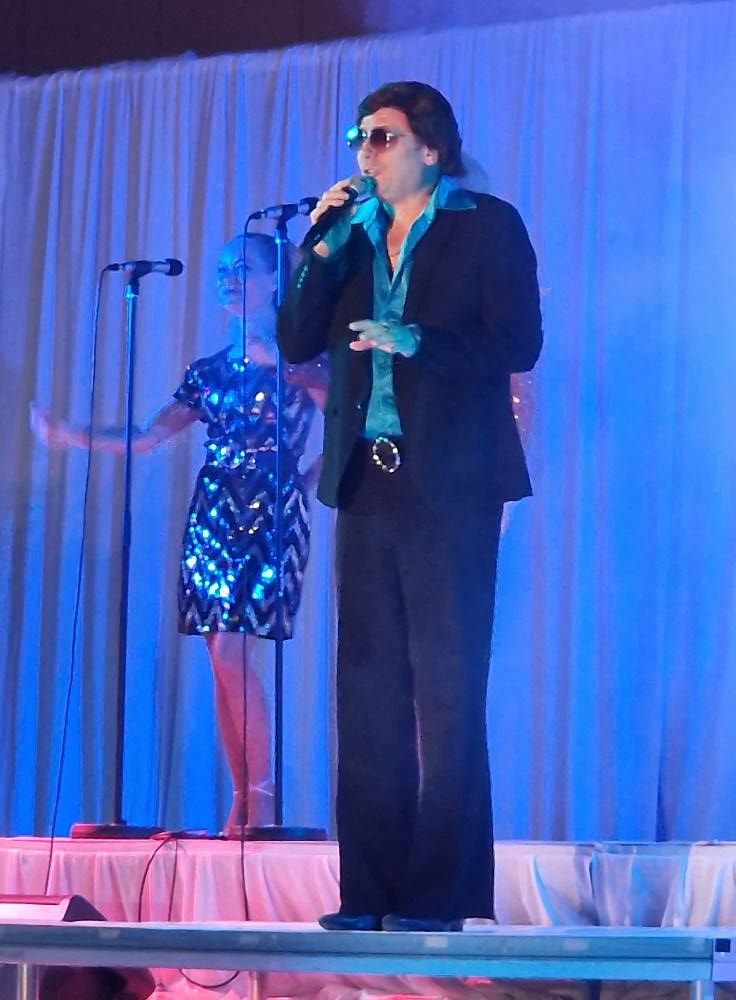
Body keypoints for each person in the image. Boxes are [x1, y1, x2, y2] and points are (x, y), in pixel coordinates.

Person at [278, 81, 542, 931]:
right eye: (360, 137)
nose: (366, 151)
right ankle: (370, 893)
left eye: (383, 137)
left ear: (432, 148)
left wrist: (418, 340)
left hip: (453, 487)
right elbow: (294, 338)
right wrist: (320, 244)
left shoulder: (486, 224)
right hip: (368, 481)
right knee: (367, 696)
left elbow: (520, 342)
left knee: (448, 694)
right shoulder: (350, 234)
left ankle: (442, 895)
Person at [31, 233, 326, 833]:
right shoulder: (208, 371)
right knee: (220, 656)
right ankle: (245, 793)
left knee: (234, 650)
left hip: (270, 511)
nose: (229, 278)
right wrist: (71, 435)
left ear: (276, 279)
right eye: (223, 270)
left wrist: (307, 479)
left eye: (243, 268)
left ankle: (261, 798)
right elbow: (147, 435)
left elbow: (353, 420)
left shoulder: (302, 363)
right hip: (213, 512)